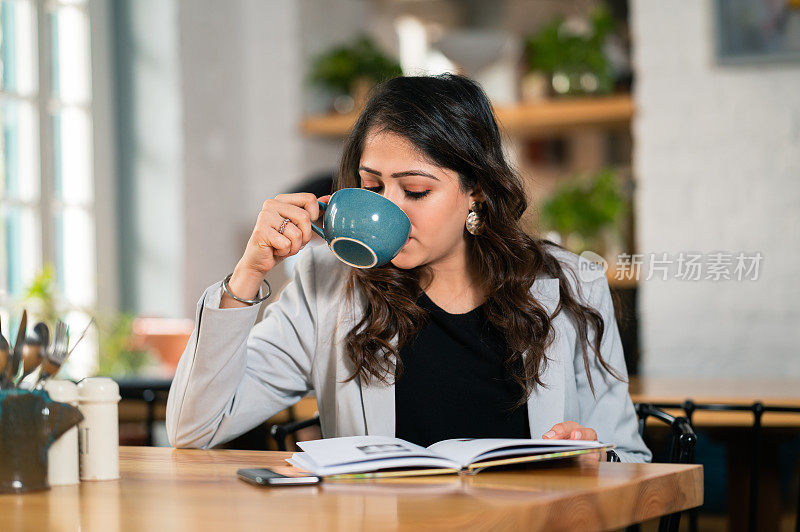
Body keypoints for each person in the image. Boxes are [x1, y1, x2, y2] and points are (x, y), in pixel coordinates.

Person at [166, 74, 651, 462]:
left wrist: (592, 458)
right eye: (372, 187)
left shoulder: (570, 284)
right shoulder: (327, 284)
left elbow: (628, 455)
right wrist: (248, 273)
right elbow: (195, 427)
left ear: (476, 189)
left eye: (416, 190)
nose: (391, 209)